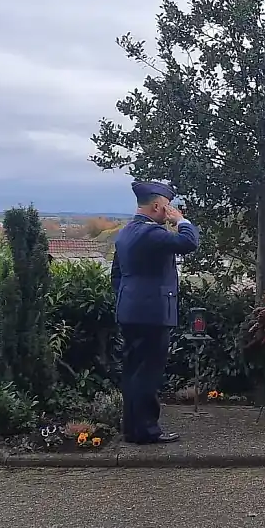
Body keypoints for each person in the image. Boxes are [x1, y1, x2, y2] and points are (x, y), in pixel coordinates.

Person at [111, 180, 200, 444]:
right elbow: (188, 242)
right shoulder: (151, 233)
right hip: (152, 314)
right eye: (167, 206)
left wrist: (129, 298)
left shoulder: (125, 232)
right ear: (157, 205)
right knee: (147, 372)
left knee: (133, 371)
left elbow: (116, 275)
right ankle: (147, 431)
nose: (169, 210)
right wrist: (181, 220)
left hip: (130, 311)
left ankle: (132, 428)